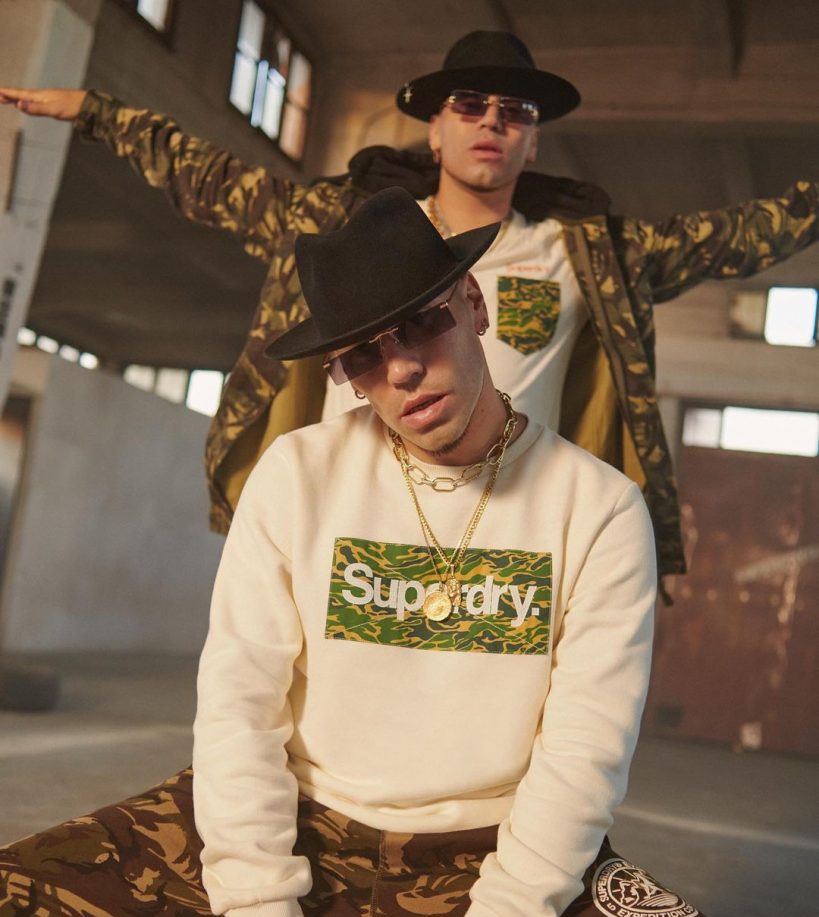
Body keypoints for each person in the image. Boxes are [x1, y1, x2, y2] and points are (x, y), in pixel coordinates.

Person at [1, 188, 816, 917]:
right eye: (361, 355)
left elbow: (580, 762)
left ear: (474, 305)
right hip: (301, 823)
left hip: (487, 849)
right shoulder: (298, 474)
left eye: (420, 324)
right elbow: (239, 712)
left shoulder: (598, 507)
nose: (397, 371)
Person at [3, 30, 819, 584]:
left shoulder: (589, 254)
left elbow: (742, 235)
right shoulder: (345, 227)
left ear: (534, 141)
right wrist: (99, 114)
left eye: (514, 114)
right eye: (469, 105)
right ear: (434, 129)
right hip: (344, 509)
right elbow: (213, 180)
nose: (491, 122)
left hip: (501, 526)